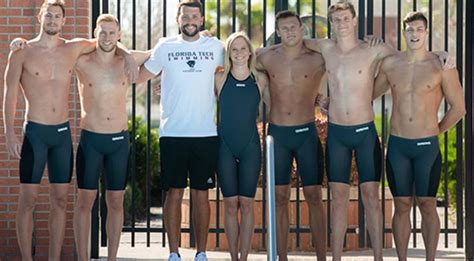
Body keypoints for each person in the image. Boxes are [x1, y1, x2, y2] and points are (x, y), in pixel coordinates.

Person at [302, 2, 454, 260]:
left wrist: (439, 51)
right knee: (338, 199)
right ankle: (335, 257)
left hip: (365, 133)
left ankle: (378, 257)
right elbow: (295, 43)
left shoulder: (373, 49)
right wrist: (318, 97)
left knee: (371, 196)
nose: (341, 24)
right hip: (337, 132)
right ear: (331, 23)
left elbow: (409, 55)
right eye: (336, 20)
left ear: (354, 20)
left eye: (345, 19)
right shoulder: (325, 47)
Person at [3, 1, 136, 260]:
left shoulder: (73, 48)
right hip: (35, 134)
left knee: (61, 200)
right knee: (28, 199)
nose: (52, 20)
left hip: (62, 135)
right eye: (48, 15)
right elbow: (9, 96)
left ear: (63, 22)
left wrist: (128, 55)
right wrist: (10, 133)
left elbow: (105, 41)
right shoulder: (22, 51)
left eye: (57, 16)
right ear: (41, 17)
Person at [372, 12, 465, 261]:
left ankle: (430, 258)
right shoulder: (391, 65)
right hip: (398, 146)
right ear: (404, 33)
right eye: (409, 30)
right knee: (401, 205)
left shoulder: (442, 66)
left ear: (425, 33)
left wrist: (436, 130)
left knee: (427, 205)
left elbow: (459, 108)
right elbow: (368, 93)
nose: (414, 34)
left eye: (419, 30)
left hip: (427, 147)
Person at [136, 1, 224, 260]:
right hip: (172, 133)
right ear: (178, 19)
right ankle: (174, 253)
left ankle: (201, 253)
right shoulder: (165, 46)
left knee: (201, 194)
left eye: (194, 16)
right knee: (173, 192)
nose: (190, 20)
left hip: (205, 133)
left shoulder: (216, 47)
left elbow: (242, 59)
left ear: (201, 19)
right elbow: (140, 74)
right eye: (185, 16)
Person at [72, 14, 150, 261]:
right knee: (85, 201)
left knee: (116, 202)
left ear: (119, 35)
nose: (107, 37)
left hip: (118, 141)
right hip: (91, 140)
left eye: (112, 32)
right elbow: (55, 50)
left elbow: (158, 53)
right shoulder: (82, 62)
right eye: (102, 32)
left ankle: (112, 258)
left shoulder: (127, 62)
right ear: (95, 33)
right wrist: (20, 42)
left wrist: (126, 53)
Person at [256, 10, 327, 261]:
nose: (289, 32)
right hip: (278, 135)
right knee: (279, 198)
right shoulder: (265, 56)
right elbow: (234, 56)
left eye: (293, 27)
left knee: (314, 197)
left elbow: (348, 58)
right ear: (277, 32)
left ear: (301, 29)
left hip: (306, 132)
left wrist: (323, 97)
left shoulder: (317, 58)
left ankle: (321, 256)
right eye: (284, 28)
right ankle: (281, 257)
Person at [215, 31, 268, 261]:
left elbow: (279, 103)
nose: (238, 53)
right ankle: (233, 257)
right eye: (233, 49)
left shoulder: (260, 80)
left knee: (247, 204)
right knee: (229, 204)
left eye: (242, 49)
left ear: (249, 52)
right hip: (224, 146)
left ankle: (244, 257)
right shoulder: (219, 79)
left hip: (250, 146)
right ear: (228, 53)